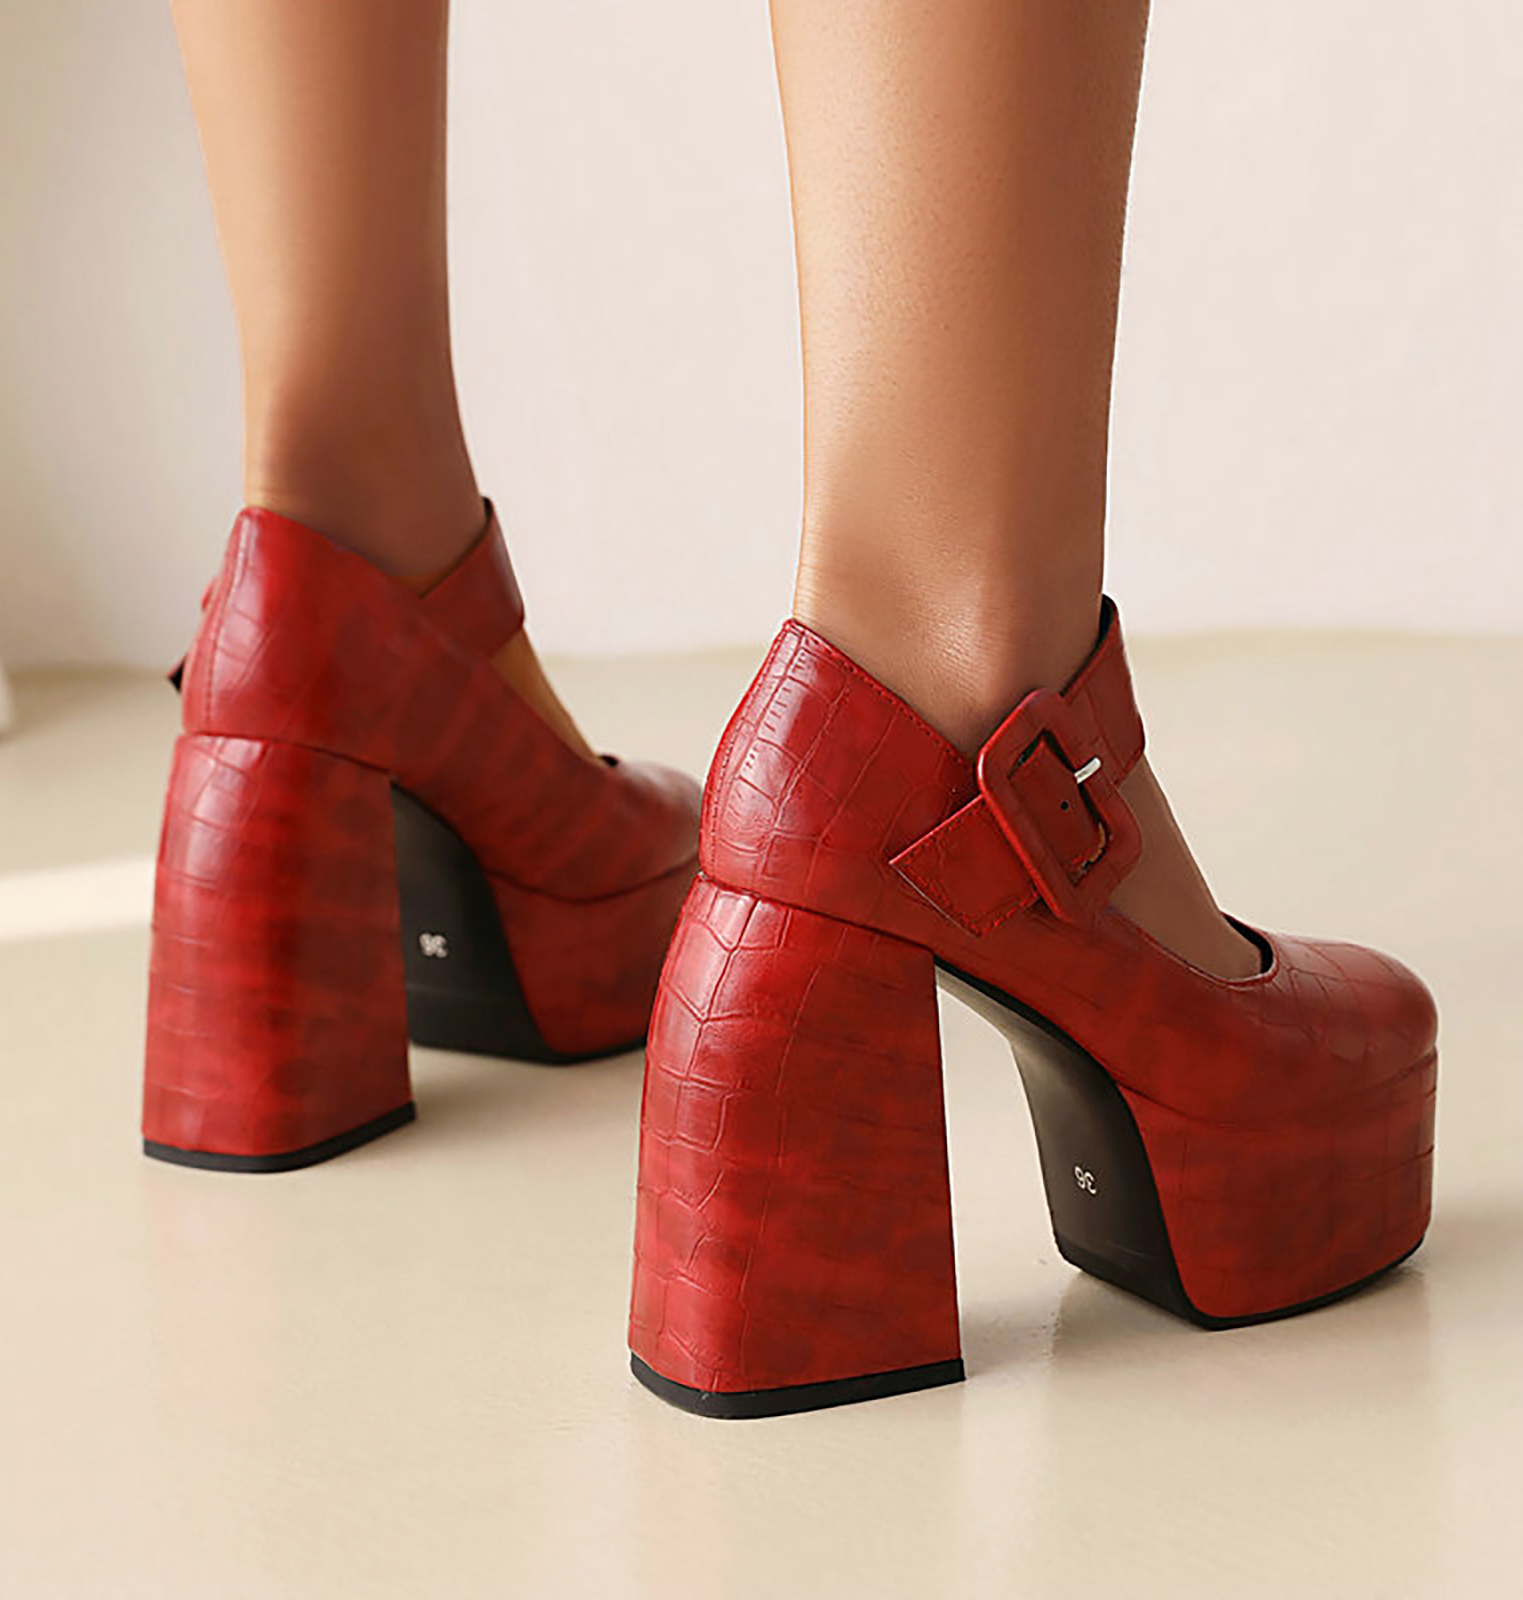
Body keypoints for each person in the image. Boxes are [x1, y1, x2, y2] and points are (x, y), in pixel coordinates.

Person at [142, 1, 1438, 1415]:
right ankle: (950, 684)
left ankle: (343, 544)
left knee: (337, 475)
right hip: (933, 811)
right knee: (940, 654)